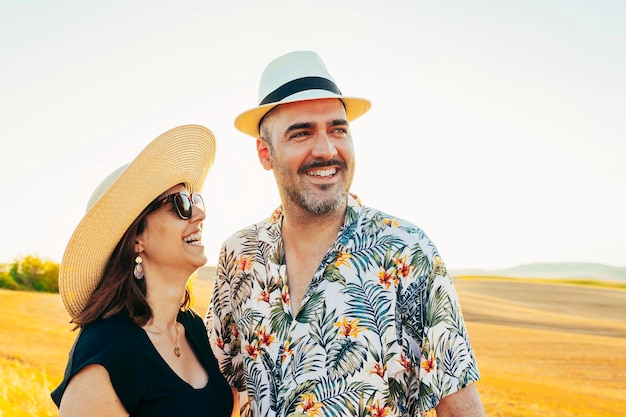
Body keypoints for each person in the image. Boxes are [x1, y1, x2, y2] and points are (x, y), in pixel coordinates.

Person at [206, 51, 485, 417]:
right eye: (301, 133)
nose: (326, 149)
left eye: (338, 129)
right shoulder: (239, 256)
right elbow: (224, 391)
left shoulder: (406, 251)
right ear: (265, 153)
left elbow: (459, 407)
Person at [52, 125, 239, 417]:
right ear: (136, 239)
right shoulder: (106, 350)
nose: (200, 214)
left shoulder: (191, 328)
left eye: (195, 200)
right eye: (181, 204)